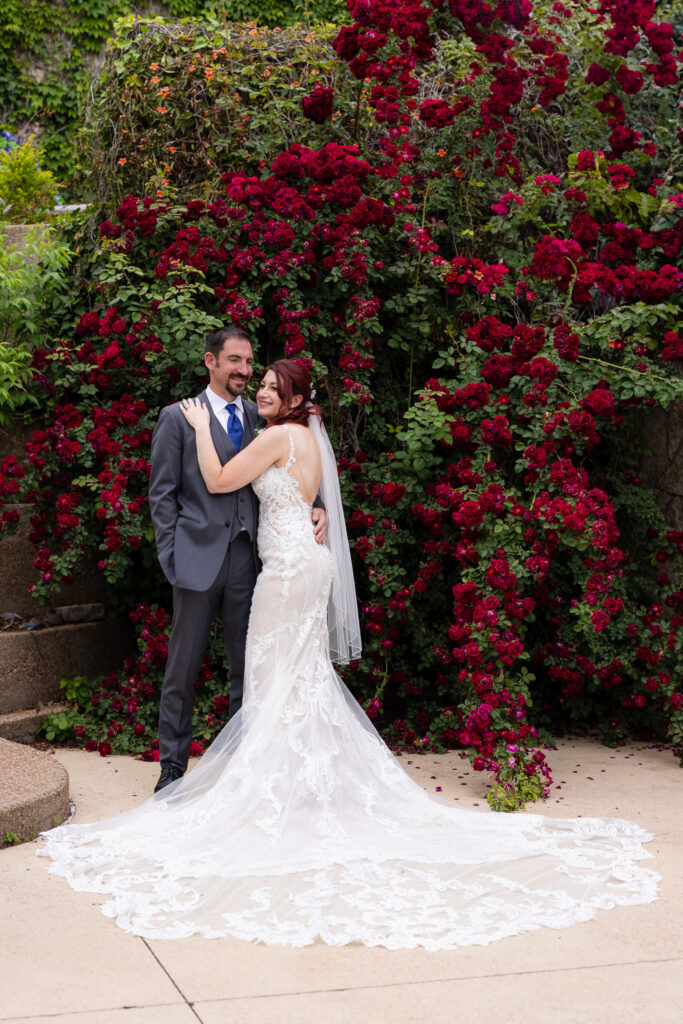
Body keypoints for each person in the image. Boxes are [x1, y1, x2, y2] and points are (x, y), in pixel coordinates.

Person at [39, 360, 659, 948]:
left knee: (268, 680)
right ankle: (308, 787)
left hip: (286, 574)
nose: (262, 392)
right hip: (313, 566)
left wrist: (202, 427)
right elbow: (307, 500)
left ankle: (270, 793)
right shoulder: (308, 437)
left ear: (294, 400)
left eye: (273, 388)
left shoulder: (278, 438)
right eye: (263, 384)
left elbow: (222, 480)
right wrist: (311, 513)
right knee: (302, 679)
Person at [148, 328, 326, 792]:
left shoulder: (261, 415)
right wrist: (171, 557)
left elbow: (295, 464)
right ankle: (172, 765)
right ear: (211, 362)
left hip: (250, 561)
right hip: (195, 559)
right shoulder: (178, 417)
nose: (245, 371)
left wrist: (319, 504)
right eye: (234, 361)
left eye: (249, 362)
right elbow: (162, 496)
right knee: (182, 666)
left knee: (249, 666)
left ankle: (244, 762)